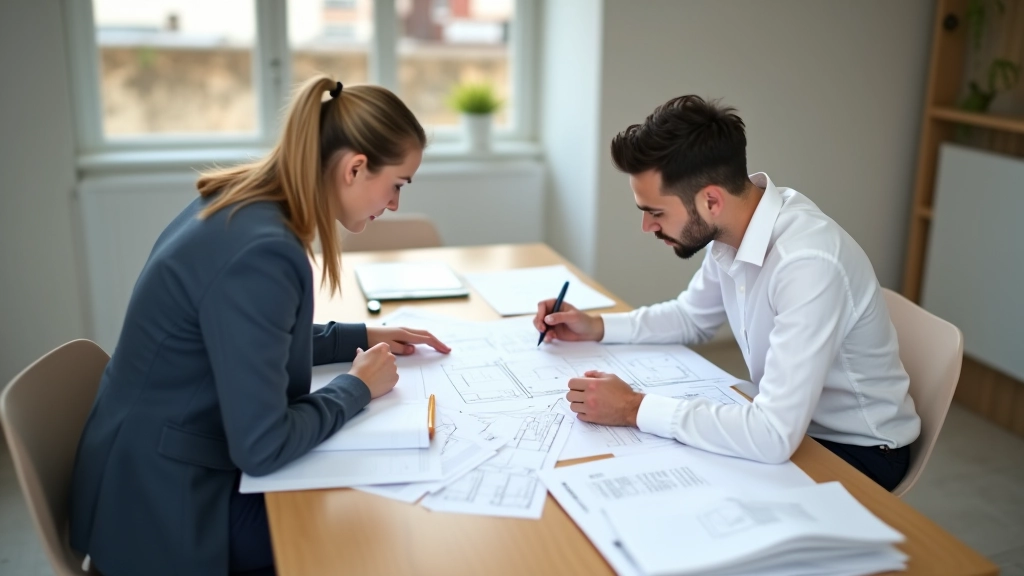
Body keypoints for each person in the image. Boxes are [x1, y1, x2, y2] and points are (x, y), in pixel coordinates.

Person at [69, 77, 450, 576]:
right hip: (166, 505)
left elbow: (251, 338)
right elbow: (264, 445)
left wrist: (359, 336)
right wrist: (355, 388)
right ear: (355, 167)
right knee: (374, 537)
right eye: (398, 184)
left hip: (148, 466)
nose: (396, 203)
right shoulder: (263, 250)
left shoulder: (246, 199)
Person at [534, 95, 920, 492]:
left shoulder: (807, 262)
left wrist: (633, 407)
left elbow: (772, 435)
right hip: (794, 428)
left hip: (858, 452)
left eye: (655, 212)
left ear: (711, 200)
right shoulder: (734, 226)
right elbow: (690, 317)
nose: (647, 227)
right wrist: (593, 326)